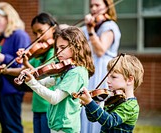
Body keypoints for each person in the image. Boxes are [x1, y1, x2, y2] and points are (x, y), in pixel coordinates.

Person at [16, 26, 95, 133]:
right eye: (57, 48)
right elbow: (44, 83)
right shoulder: (66, 69)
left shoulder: (76, 72)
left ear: (76, 47)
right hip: (57, 125)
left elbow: (55, 98)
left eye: (62, 47)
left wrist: (32, 82)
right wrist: (30, 78)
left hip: (66, 127)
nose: (58, 52)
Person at [0, 12, 60, 133]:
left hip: (48, 104)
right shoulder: (39, 53)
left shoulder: (55, 51)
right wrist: (7, 70)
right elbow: (25, 70)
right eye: (35, 33)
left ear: (53, 28)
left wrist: (25, 62)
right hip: (37, 104)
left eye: (41, 31)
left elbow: (40, 73)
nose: (38, 36)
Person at [73, 54, 144, 132]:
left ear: (129, 80)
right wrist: (88, 104)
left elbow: (109, 122)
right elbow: (92, 118)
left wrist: (90, 102)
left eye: (113, 77)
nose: (108, 81)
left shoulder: (131, 106)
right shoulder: (114, 99)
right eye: (108, 77)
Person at [0, 2, 31, 133]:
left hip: (12, 88)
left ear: (8, 18)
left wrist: (1, 57)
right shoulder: (2, 37)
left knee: (13, 126)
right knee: (5, 126)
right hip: (0, 87)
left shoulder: (20, 35)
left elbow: (21, 64)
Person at [81, 0, 121, 132]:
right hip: (91, 69)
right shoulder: (91, 24)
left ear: (107, 7)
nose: (93, 8)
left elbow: (100, 51)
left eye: (97, 5)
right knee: (87, 101)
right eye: (91, 5)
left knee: (99, 102)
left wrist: (90, 30)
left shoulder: (109, 26)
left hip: (103, 70)